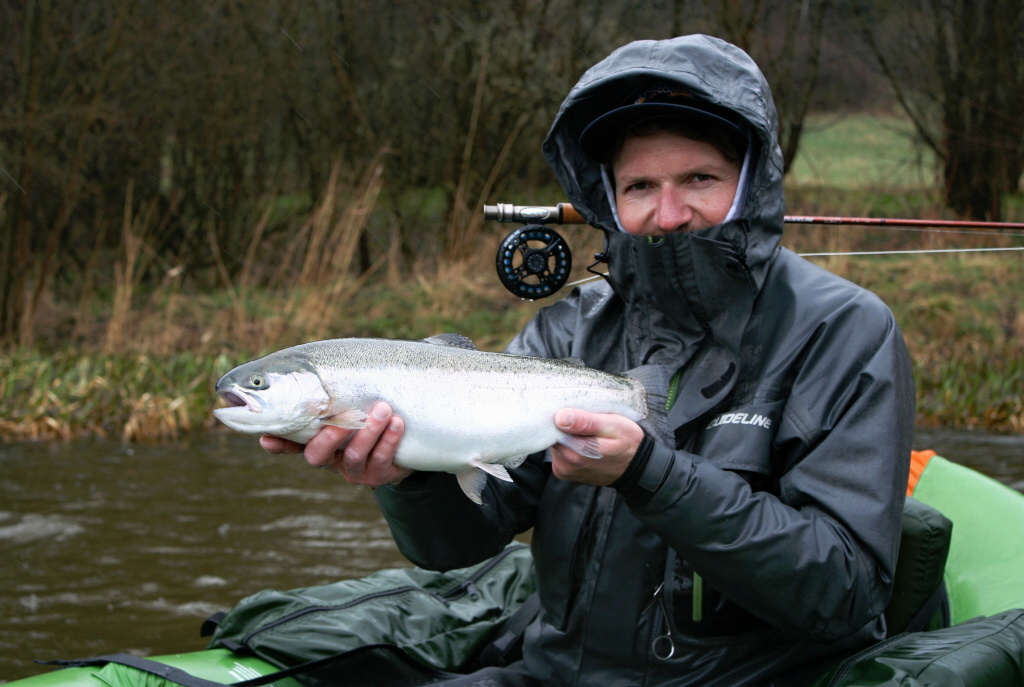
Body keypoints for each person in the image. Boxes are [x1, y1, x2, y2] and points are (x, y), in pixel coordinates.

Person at [261, 35, 915, 686]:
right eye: (640, 186)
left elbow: (845, 592)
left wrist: (651, 474)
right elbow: (457, 545)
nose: (668, 214)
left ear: (750, 184)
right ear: (608, 198)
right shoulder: (569, 329)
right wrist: (410, 477)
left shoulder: (845, 332)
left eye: (700, 179)